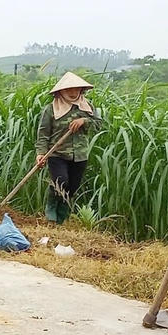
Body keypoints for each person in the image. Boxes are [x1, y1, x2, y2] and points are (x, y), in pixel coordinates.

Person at [36, 72, 101, 224]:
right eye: (68, 89)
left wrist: (84, 121)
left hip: (80, 154)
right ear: (60, 91)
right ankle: (51, 210)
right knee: (61, 182)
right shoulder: (51, 109)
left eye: (76, 89)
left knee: (72, 187)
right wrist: (40, 153)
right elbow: (43, 133)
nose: (72, 93)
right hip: (57, 154)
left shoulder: (87, 107)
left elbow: (98, 124)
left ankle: (61, 217)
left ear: (81, 90)